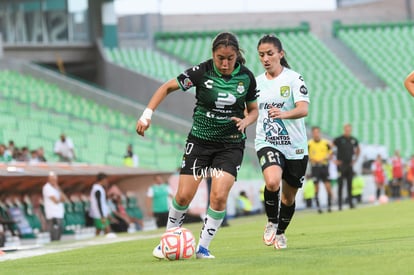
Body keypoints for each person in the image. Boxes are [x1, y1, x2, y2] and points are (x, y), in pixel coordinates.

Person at [136, 32, 258, 259]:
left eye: (230, 58)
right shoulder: (201, 72)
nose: (225, 63)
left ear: (236, 56)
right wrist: (146, 115)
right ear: (213, 54)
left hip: (230, 145)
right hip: (200, 143)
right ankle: (168, 241)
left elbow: (254, 110)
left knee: (219, 195)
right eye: (220, 57)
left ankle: (202, 247)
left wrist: (246, 121)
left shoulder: (247, 78)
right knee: (183, 196)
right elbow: (166, 88)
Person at [255, 35, 309, 249]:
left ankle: (281, 232)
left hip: (295, 147)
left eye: (269, 53)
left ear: (280, 54)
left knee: (288, 198)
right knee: (272, 182)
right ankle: (271, 221)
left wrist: (283, 114)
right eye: (261, 55)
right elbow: (249, 110)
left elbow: (303, 109)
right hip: (267, 141)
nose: (266, 59)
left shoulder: (294, 79)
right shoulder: (256, 83)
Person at [333, 124, 360, 210]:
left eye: (349, 129)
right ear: (344, 129)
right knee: (340, 185)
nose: (348, 131)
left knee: (350, 184)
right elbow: (330, 147)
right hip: (341, 165)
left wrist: (355, 160)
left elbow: (358, 149)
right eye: (346, 129)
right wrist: (334, 160)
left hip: (349, 165)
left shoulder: (353, 140)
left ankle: (350, 203)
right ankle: (340, 205)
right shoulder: (339, 139)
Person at [308, 126, 333, 213]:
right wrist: (312, 159)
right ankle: (318, 207)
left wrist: (325, 158)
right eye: (314, 132)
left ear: (320, 133)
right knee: (316, 188)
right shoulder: (309, 144)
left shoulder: (325, 143)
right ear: (312, 133)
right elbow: (306, 155)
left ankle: (329, 206)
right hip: (315, 167)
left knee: (328, 187)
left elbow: (330, 153)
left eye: (317, 132)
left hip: (324, 167)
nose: (316, 134)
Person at [42, 171, 67, 241]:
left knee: (59, 233)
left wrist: (58, 189)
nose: (54, 181)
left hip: (59, 214)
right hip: (52, 215)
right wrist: (60, 199)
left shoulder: (56, 188)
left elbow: (64, 198)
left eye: (55, 179)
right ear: (49, 179)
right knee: (54, 235)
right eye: (52, 179)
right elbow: (55, 201)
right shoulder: (47, 187)